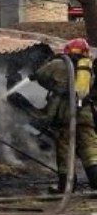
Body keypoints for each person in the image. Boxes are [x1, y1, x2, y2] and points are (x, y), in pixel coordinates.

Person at [31, 37, 97, 191]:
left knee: (65, 150)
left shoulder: (58, 64)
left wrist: (54, 85)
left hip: (65, 115)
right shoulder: (89, 67)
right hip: (86, 114)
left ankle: (66, 187)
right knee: (91, 150)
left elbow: (40, 75)